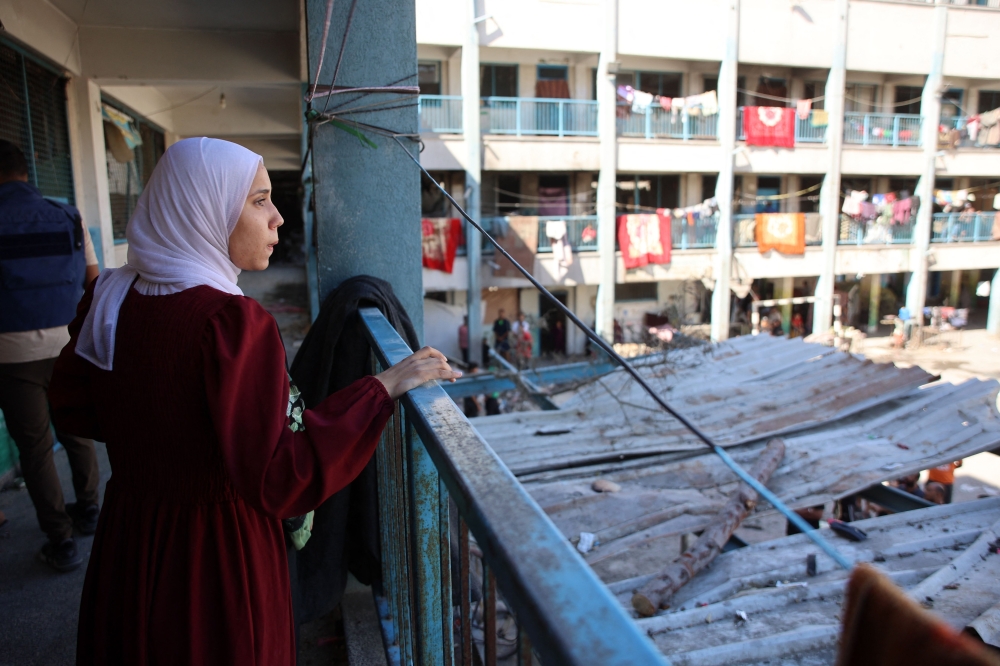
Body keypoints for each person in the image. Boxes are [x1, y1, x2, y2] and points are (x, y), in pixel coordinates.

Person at [47, 138, 460, 665]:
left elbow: (76, 408)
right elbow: (280, 478)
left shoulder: (110, 300)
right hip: (214, 558)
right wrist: (380, 388)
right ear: (205, 209)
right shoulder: (229, 325)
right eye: (260, 200)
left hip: (131, 543)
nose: (278, 218)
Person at [0, 140, 101, 572]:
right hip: (67, 342)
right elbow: (93, 278)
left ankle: (60, 541)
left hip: (11, 353)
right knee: (76, 428)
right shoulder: (67, 214)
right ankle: (91, 509)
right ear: (26, 172)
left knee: (36, 447)